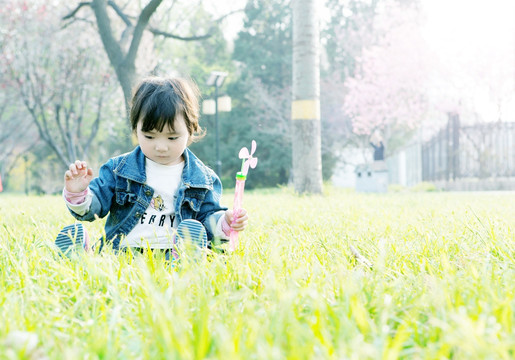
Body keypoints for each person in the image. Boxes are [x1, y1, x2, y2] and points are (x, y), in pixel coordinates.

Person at [55, 76, 248, 257]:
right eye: (149, 136)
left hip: (174, 252)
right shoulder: (118, 169)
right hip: (124, 251)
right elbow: (94, 209)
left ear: (190, 131)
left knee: (200, 252)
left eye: (172, 137)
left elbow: (207, 220)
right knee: (105, 258)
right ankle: (80, 252)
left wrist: (224, 222)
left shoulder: (203, 179)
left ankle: (187, 257)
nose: (161, 147)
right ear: (136, 129)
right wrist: (78, 193)